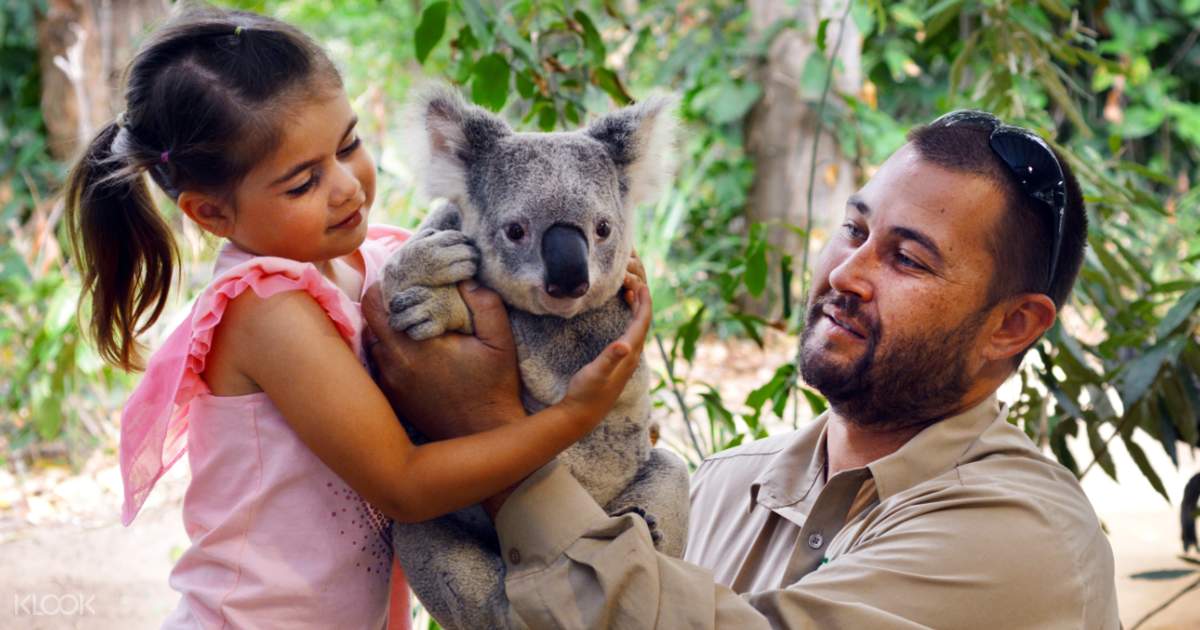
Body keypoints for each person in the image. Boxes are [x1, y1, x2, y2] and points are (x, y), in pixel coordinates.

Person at [363, 110, 1121, 628]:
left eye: (908, 258)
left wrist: (489, 435)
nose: (847, 273)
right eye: (854, 229)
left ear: (1011, 326)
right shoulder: (724, 482)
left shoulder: (1021, 535)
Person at [65, 5, 650, 628]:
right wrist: (573, 417)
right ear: (211, 214)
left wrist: (599, 280)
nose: (346, 185)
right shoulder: (266, 307)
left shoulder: (376, 259)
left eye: (349, 144)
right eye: (302, 183)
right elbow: (402, 483)